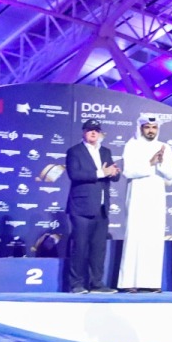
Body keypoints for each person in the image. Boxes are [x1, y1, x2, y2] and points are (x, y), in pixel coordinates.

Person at [118, 113, 172, 293]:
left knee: (153, 238)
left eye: (154, 128)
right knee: (134, 237)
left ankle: (151, 283)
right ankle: (129, 282)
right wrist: (150, 163)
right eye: (147, 127)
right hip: (137, 196)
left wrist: (159, 163)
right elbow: (128, 171)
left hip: (157, 197)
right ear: (141, 128)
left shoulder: (164, 146)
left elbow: (170, 174)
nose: (151, 131)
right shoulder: (132, 145)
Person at [64, 118, 120, 294]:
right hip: (81, 207)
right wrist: (100, 172)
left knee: (98, 249)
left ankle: (96, 284)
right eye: (90, 130)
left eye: (96, 130)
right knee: (79, 247)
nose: (93, 133)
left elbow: (114, 176)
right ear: (84, 132)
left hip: (101, 207)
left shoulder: (106, 151)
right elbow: (74, 174)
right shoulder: (74, 151)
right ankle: (77, 284)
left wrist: (113, 173)